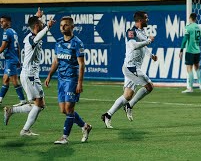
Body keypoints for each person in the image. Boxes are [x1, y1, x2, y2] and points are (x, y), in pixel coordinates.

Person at [101, 11, 157, 129]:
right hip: (131, 67)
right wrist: (149, 40)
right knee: (149, 86)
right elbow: (133, 45)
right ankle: (129, 106)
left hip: (133, 67)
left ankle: (107, 115)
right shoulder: (131, 31)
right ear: (140, 20)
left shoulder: (142, 32)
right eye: (146, 18)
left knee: (127, 95)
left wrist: (151, 55)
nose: (148, 20)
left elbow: (144, 47)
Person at [3, 8, 55, 137]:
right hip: (30, 75)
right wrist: (47, 27)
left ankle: (12, 110)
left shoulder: (30, 36)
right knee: (39, 104)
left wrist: (36, 16)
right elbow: (37, 36)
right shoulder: (32, 38)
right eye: (41, 23)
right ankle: (24, 129)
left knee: (38, 104)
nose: (42, 23)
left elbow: (34, 25)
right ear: (37, 26)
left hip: (30, 75)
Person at [45, 16, 92, 144]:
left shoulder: (77, 43)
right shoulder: (58, 42)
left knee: (69, 108)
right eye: (61, 25)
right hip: (61, 79)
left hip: (72, 79)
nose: (62, 27)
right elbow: (56, 61)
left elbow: (81, 64)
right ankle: (85, 126)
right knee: (64, 110)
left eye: (65, 25)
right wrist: (49, 75)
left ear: (72, 27)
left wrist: (80, 83)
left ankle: (64, 137)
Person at [0, 15, 26, 106]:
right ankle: (0, 99)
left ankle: (23, 100)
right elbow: (18, 46)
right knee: (5, 79)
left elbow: (3, 46)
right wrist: (18, 59)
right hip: (12, 59)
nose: (1, 23)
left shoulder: (7, 32)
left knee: (14, 80)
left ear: (8, 22)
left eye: (3, 21)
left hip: (10, 59)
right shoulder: (14, 32)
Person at [179, 13, 201, 93]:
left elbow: (184, 40)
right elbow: (199, 39)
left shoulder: (188, 27)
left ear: (190, 18)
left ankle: (190, 88)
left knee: (189, 69)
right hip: (197, 51)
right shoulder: (199, 27)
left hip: (190, 51)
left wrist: (181, 50)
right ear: (196, 19)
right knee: (197, 68)